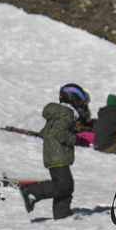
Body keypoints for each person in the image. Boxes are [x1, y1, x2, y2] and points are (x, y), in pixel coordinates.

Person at [19, 86, 79, 219]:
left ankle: (62, 214)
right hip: (59, 156)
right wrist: (75, 139)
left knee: (66, 185)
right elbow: (60, 132)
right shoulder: (67, 114)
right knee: (64, 184)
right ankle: (32, 191)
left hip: (53, 155)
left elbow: (46, 132)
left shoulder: (57, 115)